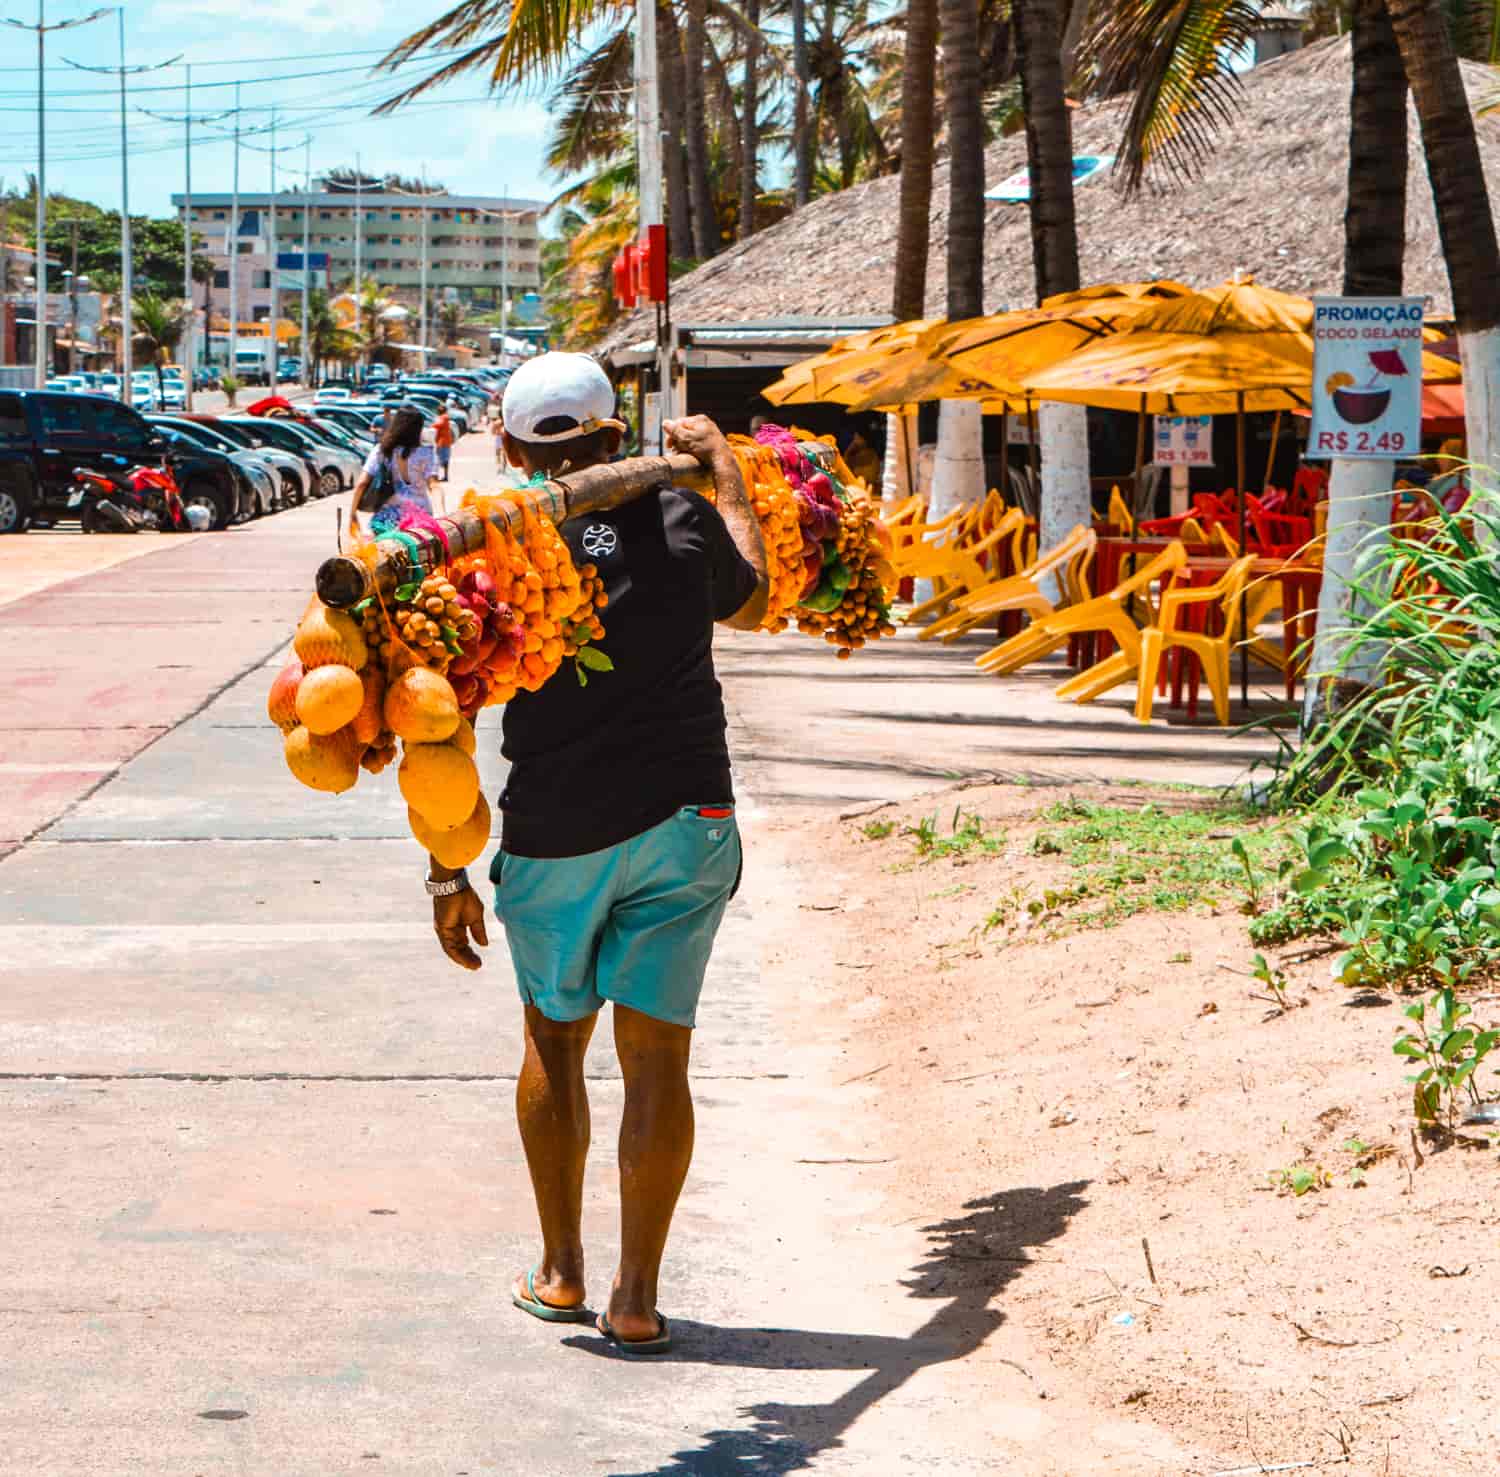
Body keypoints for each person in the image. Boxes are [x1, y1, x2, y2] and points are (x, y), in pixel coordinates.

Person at [425, 351, 769, 1356]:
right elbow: (751, 604)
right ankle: (638, 1297)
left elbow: (433, 721)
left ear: (511, 445)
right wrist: (724, 471)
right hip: (685, 819)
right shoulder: (681, 514)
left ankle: (563, 1272)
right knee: (658, 1056)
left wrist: (446, 868)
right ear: (618, 438)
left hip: (556, 829)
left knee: (554, 1041)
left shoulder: (489, 545)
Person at [348, 405, 442, 533]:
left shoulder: (381, 450)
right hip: (420, 520)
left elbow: (362, 483)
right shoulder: (426, 453)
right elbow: (434, 486)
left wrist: (352, 514)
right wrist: (442, 514)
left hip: (387, 522)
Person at [433, 405, 456, 484]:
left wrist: (432, 426)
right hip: (444, 441)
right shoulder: (444, 417)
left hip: (442, 442)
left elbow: (439, 425)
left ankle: (438, 476)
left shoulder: (444, 417)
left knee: (439, 459)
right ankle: (444, 475)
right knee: (444, 459)